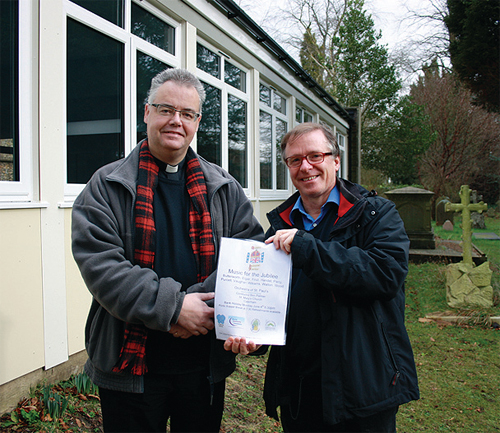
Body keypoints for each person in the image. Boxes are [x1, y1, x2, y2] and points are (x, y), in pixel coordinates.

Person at [72, 68, 264, 432]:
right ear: (147, 113)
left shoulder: (223, 187)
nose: (176, 120)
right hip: (131, 366)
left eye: (187, 113)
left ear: (197, 122)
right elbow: (102, 267)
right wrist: (174, 309)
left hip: (203, 365)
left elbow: (249, 254)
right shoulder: (107, 185)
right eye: (165, 109)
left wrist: (196, 307)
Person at [240, 122, 419, 432]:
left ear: (336, 161)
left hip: (362, 389)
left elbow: (384, 274)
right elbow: (270, 301)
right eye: (295, 160)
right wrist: (253, 336)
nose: (305, 166)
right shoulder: (278, 229)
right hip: (300, 390)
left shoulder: (376, 215)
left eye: (315, 156)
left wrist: (307, 247)